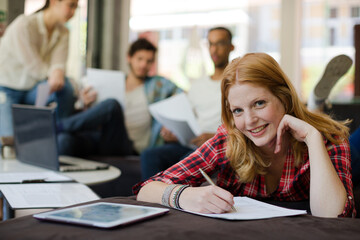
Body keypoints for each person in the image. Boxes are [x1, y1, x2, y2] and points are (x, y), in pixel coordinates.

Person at [134, 52, 355, 218]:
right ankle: (315, 107)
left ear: (284, 98)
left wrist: (312, 138)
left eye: (259, 103)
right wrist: (183, 195)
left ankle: (315, 109)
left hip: (338, 152)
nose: (249, 121)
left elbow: (334, 218)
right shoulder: (230, 139)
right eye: (238, 110)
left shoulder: (325, 138)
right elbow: (147, 190)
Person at [57, 38, 182, 156]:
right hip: (103, 136)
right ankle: (60, 130)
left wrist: (169, 120)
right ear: (129, 58)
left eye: (149, 61)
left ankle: (58, 126)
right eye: (140, 59)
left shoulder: (157, 85)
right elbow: (98, 114)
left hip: (128, 145)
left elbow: (182, 95)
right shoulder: (113, 82)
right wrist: (85, 103)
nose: (143, 65)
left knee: (113, 104)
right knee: (65, 140)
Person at [140, 27, 234, 179]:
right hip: (192, 143)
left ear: (231, 47)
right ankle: (151, 199)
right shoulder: (197, 85)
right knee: (149, 156)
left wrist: (215, 137)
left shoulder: (236, 84)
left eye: (220, 44)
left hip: (216, 145)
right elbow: (186, 116)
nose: (214, 50)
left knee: (185, 161)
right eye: (210, 44)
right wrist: (173, 132)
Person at [0, 0, 78, 146]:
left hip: (32, 89)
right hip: (7, 89)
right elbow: (34, 66)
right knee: (8, 142)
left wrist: (58, 73)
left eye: (76, 7)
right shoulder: (24, 25)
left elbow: (58, 64)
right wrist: (54, 73)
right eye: (71, 5)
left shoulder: (63, 32)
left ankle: (58, 134)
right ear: (55, 2)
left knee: (66, 87)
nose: (73, 12)